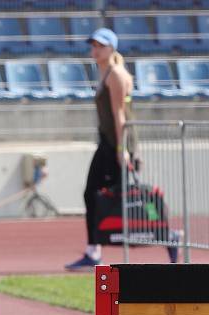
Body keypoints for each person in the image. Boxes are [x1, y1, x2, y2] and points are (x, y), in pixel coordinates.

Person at [65, 28, 135, 271]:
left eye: (100, 46)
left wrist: (121, 148)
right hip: (108, 141)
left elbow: (119, 115)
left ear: (111, 48)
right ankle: (93, 250)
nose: (94, 50)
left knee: (115, 197)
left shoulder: (115, 74)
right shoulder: (105, 72)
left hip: (114, 142)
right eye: (93, 45)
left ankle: (169, 236)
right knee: (102, 195)